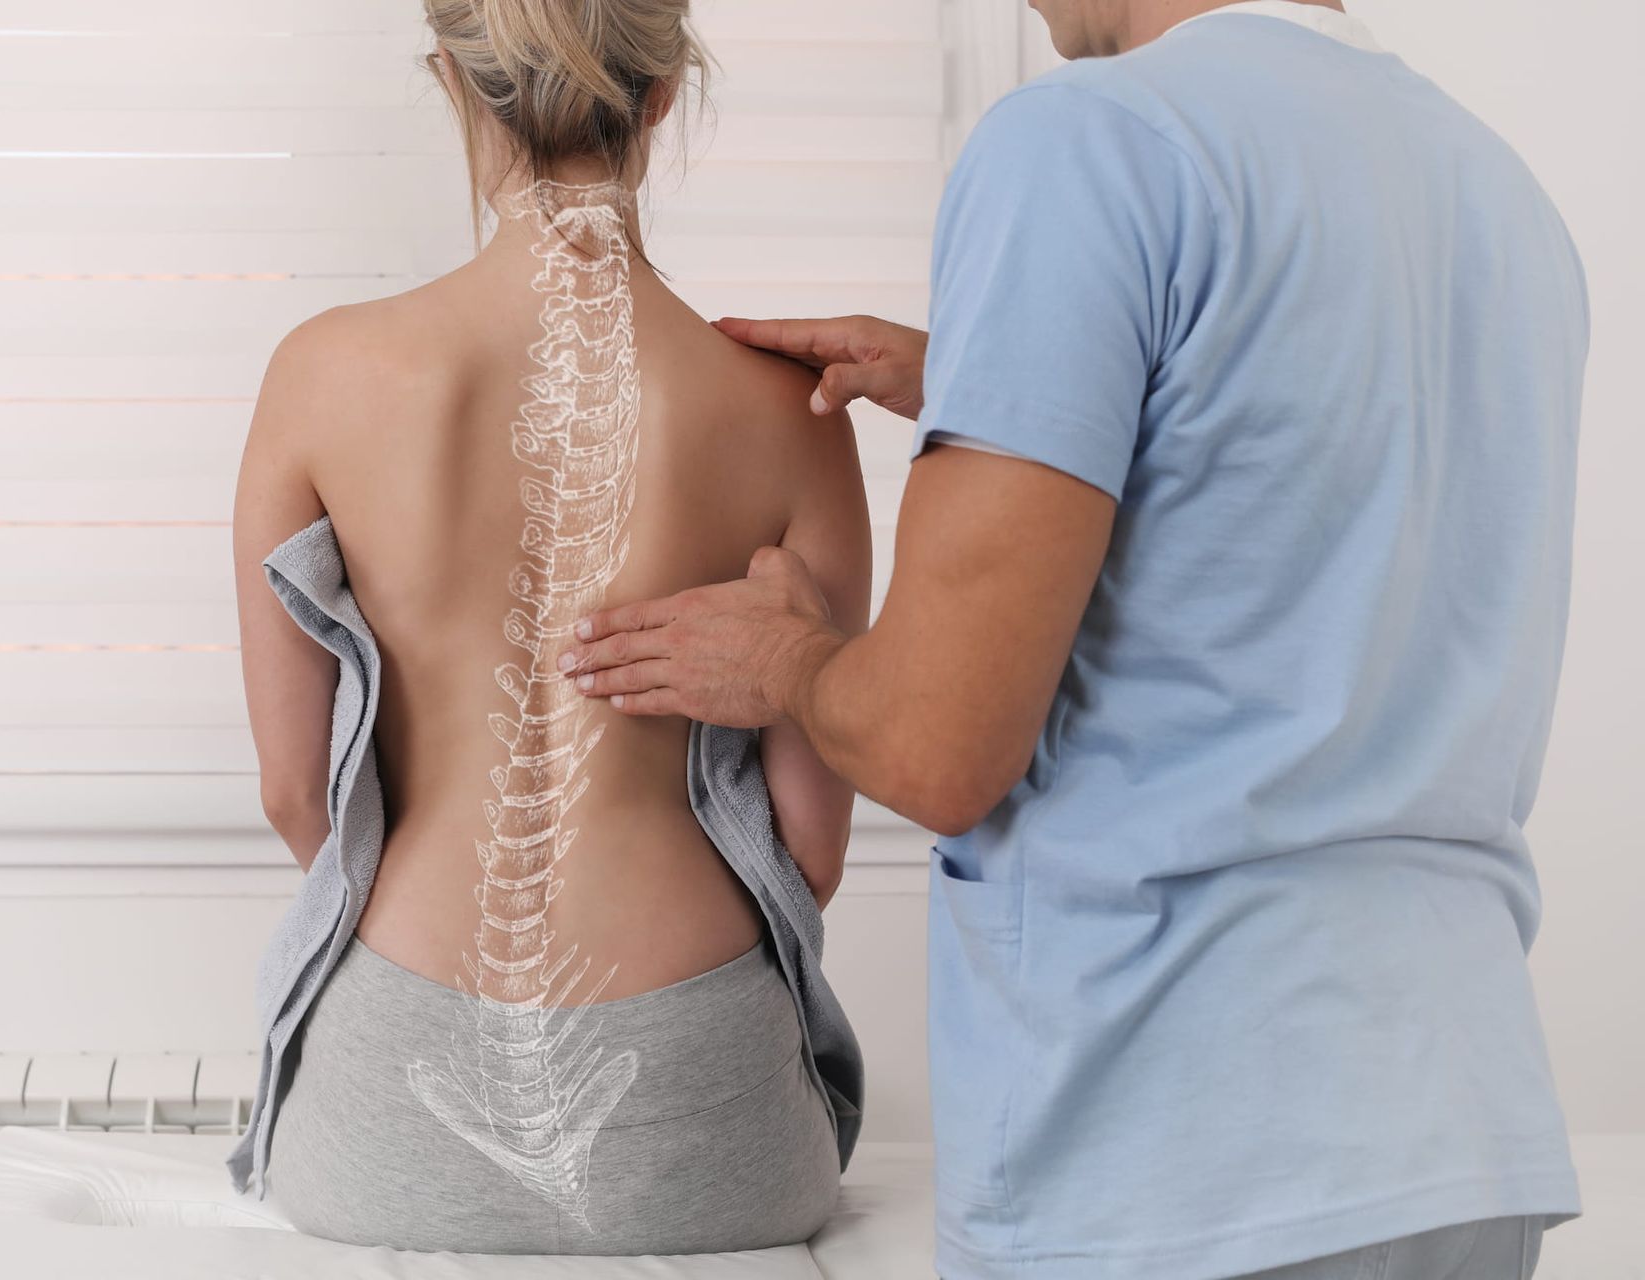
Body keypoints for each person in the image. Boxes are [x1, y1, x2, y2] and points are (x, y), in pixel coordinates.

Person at [557, 1, 1587, 1277]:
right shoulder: (1494, 190)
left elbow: (939, 745)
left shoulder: (1092, 146)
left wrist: (788, 663)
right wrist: (1022, 378)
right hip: (1461, 1144)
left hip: (1180, 1158)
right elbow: (1308, 489)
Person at [229, 0, 870, 1257]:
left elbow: (293, 791)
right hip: (706, 1110)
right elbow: (812, 847)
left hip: (396, 1091)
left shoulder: (322, 370)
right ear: (667, 98)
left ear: (457, 90)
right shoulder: (794, 409)